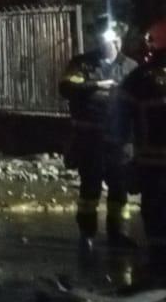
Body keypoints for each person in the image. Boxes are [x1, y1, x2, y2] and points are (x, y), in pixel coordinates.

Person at [59, 17, 138, 250]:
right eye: (105, 38)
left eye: (114, 38)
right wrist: (97, 85)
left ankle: (118, 233)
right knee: (89, 188)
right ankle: (87, 233)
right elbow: (66, 87)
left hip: (120, 140)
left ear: (120, 39)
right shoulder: (82, 64)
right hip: (89, 138)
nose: (110, 43)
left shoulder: (131, 67)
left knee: (119, 188)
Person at [120, 19, 166, 271]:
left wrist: (123, 156)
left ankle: (159, 265)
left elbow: (119, 121)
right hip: (151, 163)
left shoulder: (138, 79)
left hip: (152, 164)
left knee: (155, 213)